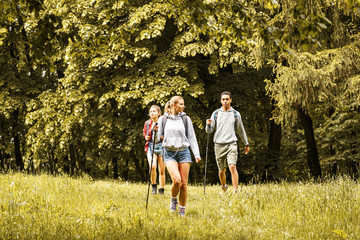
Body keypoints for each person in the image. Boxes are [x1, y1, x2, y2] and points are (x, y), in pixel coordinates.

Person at [156, 96, 201, 217]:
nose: (184, 106)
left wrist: (196, 154)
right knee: (176, 180)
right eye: (181, 104)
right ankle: (173, 199)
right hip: (169, 152)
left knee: (183, 184)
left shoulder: (186, 119)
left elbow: (191, 137)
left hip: (184, 151)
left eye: (184, 104)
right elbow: (156, 139)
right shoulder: (163, 119)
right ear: (174, 105)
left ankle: (182, 210)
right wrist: (154, 131)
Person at [205, 91, 249, 193]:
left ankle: (235, 191)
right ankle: (224, 186)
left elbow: (240, 130)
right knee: (221, 171)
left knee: (232, 166)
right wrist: (207, 124)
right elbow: (209, 130)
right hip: (219, 145)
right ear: (221, 101)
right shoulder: (216, 114)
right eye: (223, 99)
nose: (225, 101)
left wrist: (246, 143)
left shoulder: (235, 114)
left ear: (230, 100)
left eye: (227, 99)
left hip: (231, 144)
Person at [143, 105, 166, 195]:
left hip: (161, 146)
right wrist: (146, 137)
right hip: (151, 146)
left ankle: (161, 189)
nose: (152, 113)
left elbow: (166, 133)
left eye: (154, 111)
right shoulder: (147, 123)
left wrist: (162, 136)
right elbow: (145, 132)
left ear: (158, 113)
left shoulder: (162, 122)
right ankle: (153, 186)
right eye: (151, 111)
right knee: (152, 166)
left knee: (162, 170)